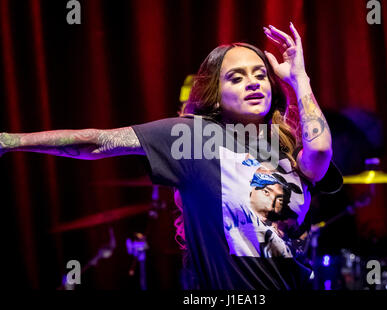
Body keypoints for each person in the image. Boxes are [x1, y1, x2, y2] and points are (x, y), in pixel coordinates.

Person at [0, 23, 342, 289]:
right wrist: (8, 141)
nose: (253, 83)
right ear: (214, 95)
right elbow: (96, 142)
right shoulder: (191, 137)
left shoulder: (288, 145)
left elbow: (322, 151)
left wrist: (300, 79)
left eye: (260, 75)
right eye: (236, 78)